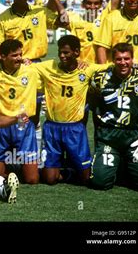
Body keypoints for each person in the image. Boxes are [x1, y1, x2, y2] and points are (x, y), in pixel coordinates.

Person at [32, 35, 107, 185]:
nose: (61, 56)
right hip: (52, 127)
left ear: (76, 52)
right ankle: (66, 171)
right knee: (50, 179)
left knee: (86, 178)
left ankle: (71, 165)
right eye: (60, 52)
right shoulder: (49, 66)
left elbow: (111, 66)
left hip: (75, 129)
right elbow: (26, 65)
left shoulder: (87, 69)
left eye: (66, 53)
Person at [90, 43, 138, 192]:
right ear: (112, 59)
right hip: (109, 136)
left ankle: (126, 164)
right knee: (100, 183)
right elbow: (92, 103)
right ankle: (115, 163)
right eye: (118, 59)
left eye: (127, 59)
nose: (123, 63)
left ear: (132, 59)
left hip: (135, 135)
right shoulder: (100, 78)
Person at [0, 39, 40, 184]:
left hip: (24, 125)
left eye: (20, 54)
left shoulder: (31, 71)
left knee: (32, 179)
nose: (19, 58)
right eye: (14, 55)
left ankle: (17, 165)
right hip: (1, 124)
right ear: (3, 56)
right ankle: (11, 166)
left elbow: (56, 68)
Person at [56, 0, 122, 63]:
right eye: (89, 3)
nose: (92, 6)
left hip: (103, 69)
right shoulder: (76, 19)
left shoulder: (106, 17)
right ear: (83, 4)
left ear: (101, 4)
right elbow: (62, 16)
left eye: (96, 3)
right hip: (82, 69)